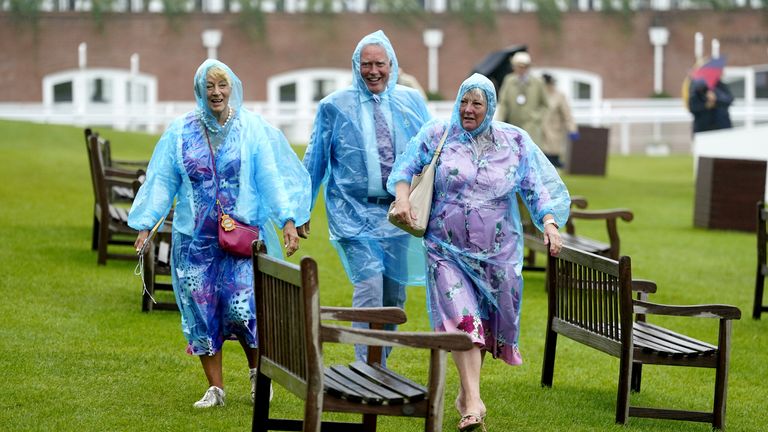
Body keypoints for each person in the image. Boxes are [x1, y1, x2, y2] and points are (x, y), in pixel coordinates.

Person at [387, 73, 570, 431]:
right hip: (445, 249)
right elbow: (404, 168)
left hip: (498, 255)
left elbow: (536, 188)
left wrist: (549, 222)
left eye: (477, 104)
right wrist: (403, 198)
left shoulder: (514, 141)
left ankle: (466, 393)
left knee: (484, 323)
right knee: (463, 318)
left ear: (490, 107)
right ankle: (473, 402)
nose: (468, 110)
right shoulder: (437, 134)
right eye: (464, 102)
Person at [128, 59, 311, 409]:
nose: (216, 93)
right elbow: (163, 180)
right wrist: (146, 224)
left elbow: (269, 178)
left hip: (241, 240)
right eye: (209, 86)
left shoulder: (250, 128)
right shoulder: (180, 131)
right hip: (194, 241)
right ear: (200, 90)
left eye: (222, 85)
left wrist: (288, 219)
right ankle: (216, 388)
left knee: (245, 308)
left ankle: (259, 376)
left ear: (232, 88)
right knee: (201, 310)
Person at [298, 30, 431, 364]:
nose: (373, 71)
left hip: (399, 214)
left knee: (392, 296)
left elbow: (431, 152)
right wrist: (299, 210)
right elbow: (314, 162)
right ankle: (367, 367)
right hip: (353, 214)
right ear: (356, 66)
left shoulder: (410, 102)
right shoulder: (334, 107)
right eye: (366, 64)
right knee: (370, 288)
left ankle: (378, 362)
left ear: (392, 65)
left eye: (380, 64)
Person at [495, 51, 549, 145]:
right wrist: (499, 122)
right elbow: (503, 103)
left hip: (532, 128)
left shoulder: (537, 83)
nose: (521, 69)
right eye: (518, 66)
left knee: (530, 154)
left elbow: (545, 105)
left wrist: (536, 117)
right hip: (513, 127)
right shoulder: (509, 81)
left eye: (524, 66)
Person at [541, 73, 579, 168]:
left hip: (554, 132)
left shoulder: (559, 96)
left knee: (553, 157)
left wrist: (572, 129)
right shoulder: (538, 95)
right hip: (540, 131)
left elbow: (567, 115)